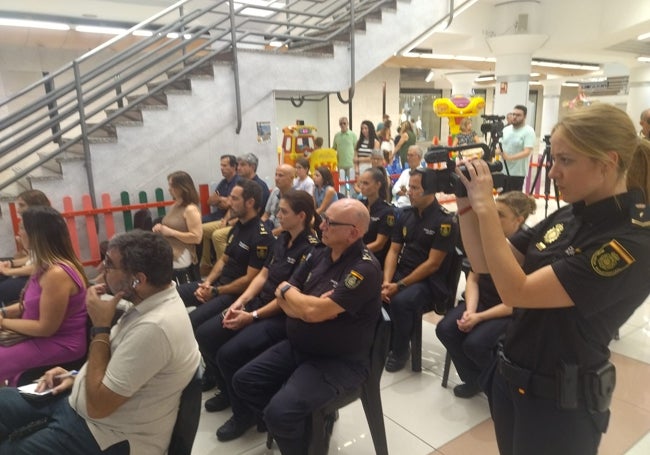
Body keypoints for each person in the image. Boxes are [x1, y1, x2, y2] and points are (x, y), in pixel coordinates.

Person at [456, 103, 650, 455]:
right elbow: (485, 262)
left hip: (560, 403)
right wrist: (466, 205)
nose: (553, 171)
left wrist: (487, 206)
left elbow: (516, 291)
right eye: (553, 158)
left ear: (606, 163)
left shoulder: (630, 241)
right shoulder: (570, 214)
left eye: (566, 160)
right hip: (512, 379)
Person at [0, 230, 201, 454]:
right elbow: (124, 367)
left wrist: (100, 328)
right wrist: (77, 377)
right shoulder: (150, 302)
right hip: (85, 405)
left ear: (139, 279)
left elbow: (97, 407)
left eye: (109, 264)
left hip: (105, 433)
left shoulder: (155, 328)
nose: (102, 269)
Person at [232, 198, 382, 454]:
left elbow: (309, 310)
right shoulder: (319, 252)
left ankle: (300, 437)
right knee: (244, 381)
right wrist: (305, 306)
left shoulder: (363, 269)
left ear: (353, 232)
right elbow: (285, 289)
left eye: (330, 222)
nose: (321, 225)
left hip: (339, 361)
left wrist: (303, 307)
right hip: (300, 345)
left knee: (280, 413)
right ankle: (302, 427)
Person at [203, 191, 319, 441]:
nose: (277, 215)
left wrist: (252, 315)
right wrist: (241, 302)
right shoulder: (282, 239)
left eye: (284, 212)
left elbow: (287, 296)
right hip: (258, 303)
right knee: (210, 336)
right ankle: (228, 391)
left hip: (279, 317)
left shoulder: (310, 249)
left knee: (227, 354)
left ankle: (245, 415)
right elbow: (263, 276)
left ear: (301, 216)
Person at [435, 191, 536, 398]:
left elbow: (518, 302)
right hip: (481, 301)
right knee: (445, 329)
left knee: (475, 344)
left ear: (519, 220)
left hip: (508, 310)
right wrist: (470, 311)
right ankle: (475, 380)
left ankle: (497, 387)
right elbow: (473, 278)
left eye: (499, 215)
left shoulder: (528, 250)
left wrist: (479, 317)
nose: (491, 219)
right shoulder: (488, 238)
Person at [177, 179, 273, 389]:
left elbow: (250, 280)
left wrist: (216, 290)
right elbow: (223, 260)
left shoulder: (261, 235)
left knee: (195, 324)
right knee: (176, 293)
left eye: (234, 198)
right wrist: (207, 283)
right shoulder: (237, 228)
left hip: (234, 293)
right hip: (218, 285)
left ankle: (217, 378)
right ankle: (210, 370)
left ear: (250, 202)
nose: (229, 202)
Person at [0, 206, 88, 386]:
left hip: (60, 343)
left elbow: (45, 328)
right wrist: (3, 312)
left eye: (23, 228)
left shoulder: (57, 274)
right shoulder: (45, 266)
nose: (19, 233)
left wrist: (2, 322)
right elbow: (30, 304)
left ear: (37, 235)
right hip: (40, 336)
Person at [382, 168, 459, 372]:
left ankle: (400, 351)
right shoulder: (405, 215)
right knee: (374, 291)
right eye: (410, 187)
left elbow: (433, 264)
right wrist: (387, 281)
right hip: (403, 273)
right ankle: (384, 342)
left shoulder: (445, 221)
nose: (409, 192)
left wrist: (398, 286)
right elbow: (393, 250)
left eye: (415, 188)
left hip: (429, 281)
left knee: (401, 301)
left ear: (430, 190)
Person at [0, 190, 51, 306]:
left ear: (35, 205)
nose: (18, 210)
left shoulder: (45, 228)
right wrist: (10, 263)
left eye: (22, 205)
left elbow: (43, 266)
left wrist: (9, 271)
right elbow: (31, 257)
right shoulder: (33, 223)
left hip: (38, 275)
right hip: (31, 269)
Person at [152, 171, 202, 270]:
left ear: (182, 188)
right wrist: (160, 228)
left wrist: (171, 232)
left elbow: (196, 238)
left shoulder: (191, 209)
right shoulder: (175, 205)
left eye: (172, 186)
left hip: (181, 253)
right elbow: (169, 226)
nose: (169, 189)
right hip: (168, 247)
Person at [199, 154, 240, 275]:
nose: (222, 168)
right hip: (218, 215)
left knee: (202, 230)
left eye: (225, 165)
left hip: (230, 218)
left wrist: (221, 200)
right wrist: (221, 201)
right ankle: (206, 264)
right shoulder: (223, 182)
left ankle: (219, 266)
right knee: (199, 223)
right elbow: (210, 201)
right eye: (221, 165)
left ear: (233, 167)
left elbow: (230, 204)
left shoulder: (238, 182)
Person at [358, 167, 394, 267]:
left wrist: (354, 252)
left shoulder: (387, 211)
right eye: (361, 183)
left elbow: (379, 244)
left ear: (378, 185)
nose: (362, 186)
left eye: (366, 183)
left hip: (374, 259)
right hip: (358, 254)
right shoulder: (360, 205)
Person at [499, 104, 536, 192]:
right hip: (503, 170)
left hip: (517, 173)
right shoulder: (506, 130)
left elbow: (527, 151)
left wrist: (509, 158)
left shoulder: (529, 131)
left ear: (525, 116)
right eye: (513, 114)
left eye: (518, 115)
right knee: (502, 199)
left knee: (513, 201)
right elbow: (499, 148)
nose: (514, 117)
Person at [262, 164, 296, 236]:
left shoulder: (296, 196)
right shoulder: (275, 191)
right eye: (276, 175)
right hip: (269, 228)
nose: (276, 178)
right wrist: (259, 227)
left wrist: (270, 234)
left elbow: (292, 224)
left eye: (281, 175)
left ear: (291, 178)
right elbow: (266, 215)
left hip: (284, 233)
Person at [332, 116, 357, 197]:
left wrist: (356, 162)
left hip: (351, 164)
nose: (342, 125)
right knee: (342, 183)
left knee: (351, 183)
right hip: (340, 164)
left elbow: (356, 149)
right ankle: (343, 197)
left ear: (347, 124)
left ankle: (352, 198)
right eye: (341, 124)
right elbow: (333, 149)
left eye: (344, 123)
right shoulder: (336, 136)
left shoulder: (353, 135)